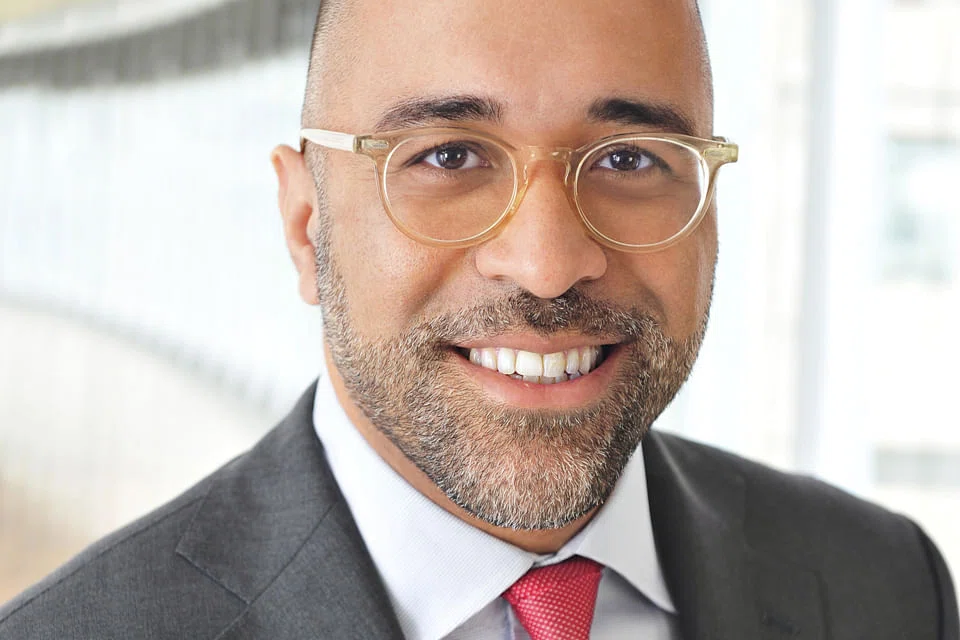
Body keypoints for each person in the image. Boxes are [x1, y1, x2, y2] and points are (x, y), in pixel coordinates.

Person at [1, 0, 957, 638]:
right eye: (449, 157)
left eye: (629, 160)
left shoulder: (883, 587)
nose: (547, 263)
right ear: (306, 223)